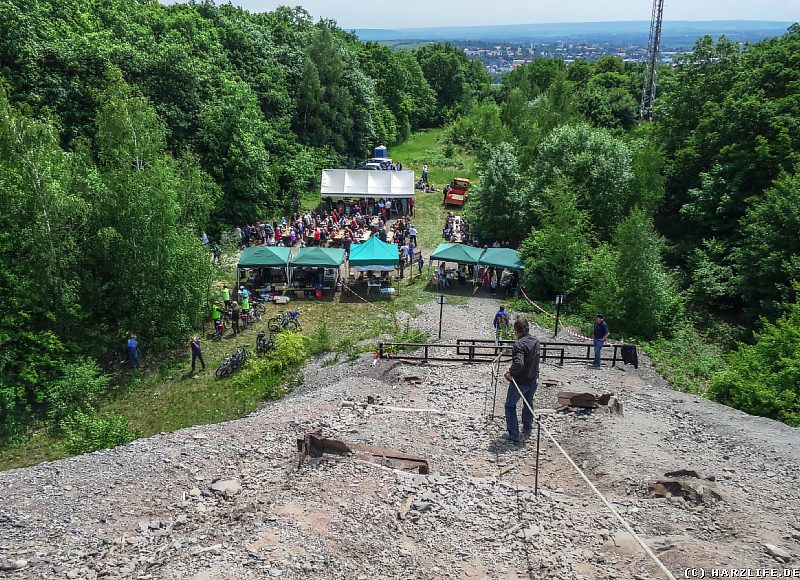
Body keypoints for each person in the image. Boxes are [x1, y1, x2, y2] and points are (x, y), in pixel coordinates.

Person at [503, 318, 540, 443]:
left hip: (521, 381)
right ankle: (527, 428)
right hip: (533, 378)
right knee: (528, 403)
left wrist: (510, 373)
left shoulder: (519, 344)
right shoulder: (536, 341)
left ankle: (514, 434)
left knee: (509, 405)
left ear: (517, 331)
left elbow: (519, 363)